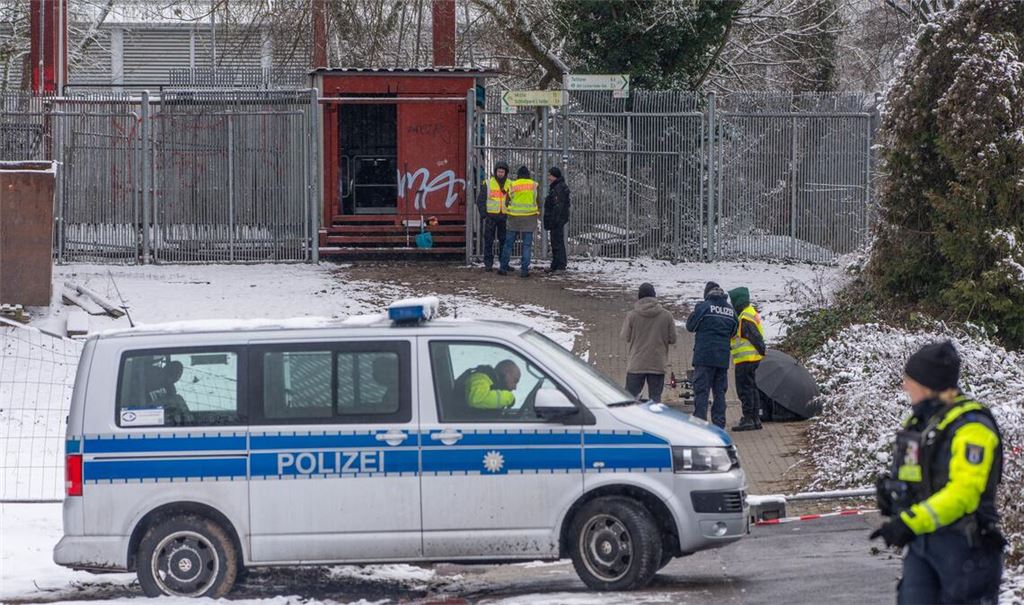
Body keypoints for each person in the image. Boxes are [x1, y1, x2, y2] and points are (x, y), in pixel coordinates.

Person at [871, 341, 1004, 604]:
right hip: (924, 547)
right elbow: (917, 478)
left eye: (910, 380)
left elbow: (963, 494)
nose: (904, 386)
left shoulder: (972, 429)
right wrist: (895, 495)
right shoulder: (922, 423)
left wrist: (911, 521)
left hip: (965, 550)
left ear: (927, 385)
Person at [685, 282, 737, 429]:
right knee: (719, 393)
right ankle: (719, 424)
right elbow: (733, 331)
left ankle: (700, 424)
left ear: (707, 294)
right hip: (722, 359)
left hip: (704, 357)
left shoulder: (704, 307)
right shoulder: (730, 311)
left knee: (701, 391)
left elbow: (690, 326)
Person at [620, 283, 678, 403]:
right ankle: (653, 421)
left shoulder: (632, 315)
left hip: (637, 364)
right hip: (657, 363)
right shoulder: (667, 315)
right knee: (655, 401)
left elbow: (625, 337)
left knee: (629, 401)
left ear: (639, 297)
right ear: (654, 296)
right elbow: (673, 339)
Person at [728, 286, 765, 431]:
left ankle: (748, 418)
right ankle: (755, 419)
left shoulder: (744, 318)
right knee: (752, 388)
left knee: (745, 390)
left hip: (746, 360)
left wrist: (762, 349)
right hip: (752, 358)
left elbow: (755, 336)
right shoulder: (750, 313)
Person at [499, 166, 539, 278]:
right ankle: (524, 270)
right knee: (526, 245)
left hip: (514, 217)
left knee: (508, 244)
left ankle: (503, 268)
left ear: (518, 175)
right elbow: (538, 200)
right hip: (529, 217)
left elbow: (507, 200)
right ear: (528, 175)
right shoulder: (534, 185)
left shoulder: (513, 185)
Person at [475, 160, 511, 272]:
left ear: (506, 173)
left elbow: (514, 199)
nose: (500, 173)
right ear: (495, 172)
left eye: (502, 171)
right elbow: (480, 199)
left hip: (504, 216)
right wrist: (484, 214)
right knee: (488, 241)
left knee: (504, 241)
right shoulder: (489, 183)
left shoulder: (510, 184)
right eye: (499, 171)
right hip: (491, 216)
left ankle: (504, 264)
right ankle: (488, 264)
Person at [543, 166, 570, 274]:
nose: (549, 177)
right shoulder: (558, 186)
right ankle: (556, 264)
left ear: (554, 176)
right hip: (558, 219)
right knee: (555, 242)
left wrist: (553, 220)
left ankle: (560, 265)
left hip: (557, 220)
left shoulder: (558, 188)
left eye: (550, 175)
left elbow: (558, 206)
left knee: (557, 242)